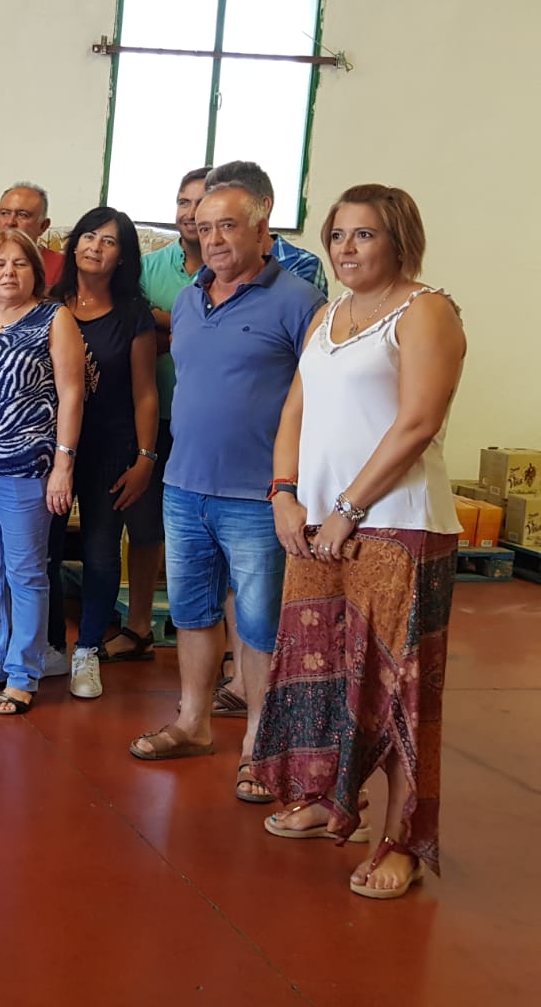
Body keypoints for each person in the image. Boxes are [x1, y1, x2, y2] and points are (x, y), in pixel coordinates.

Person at [253, 185, 463, 900]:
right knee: (319, 671)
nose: (346, 247)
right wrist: (285, 492)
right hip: (316, 522)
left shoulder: (426, 310)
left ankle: (401, 842)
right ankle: (327, 799)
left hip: (398, 523)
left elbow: (418, 422)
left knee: (398, 688)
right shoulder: (328, 315)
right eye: (338, 234)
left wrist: (349, 507)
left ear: (399, 239)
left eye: (364, 234)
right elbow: (296, 409)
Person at [128, 170, 325, 804]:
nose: (213, 238)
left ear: (262, 228)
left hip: (258, 495)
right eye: (205, 227)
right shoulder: (190, 300)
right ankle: (192, 723)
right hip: (185, 485)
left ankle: (259, 748)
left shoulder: (300, 302)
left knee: (260, 625)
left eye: (228, 226)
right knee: (191, 612)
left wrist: (291, 485)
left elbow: (318, 401)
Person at [0, 229, 84, 716]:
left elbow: (72, 393)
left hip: (25, 467)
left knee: (25, 571)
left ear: (37, 272)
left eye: (20, 263)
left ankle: (23, 672)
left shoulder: (54, 318)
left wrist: (63, 464)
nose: (8, 272)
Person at [43, 207, 159, 701]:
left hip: (111, 450)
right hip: (48, 452)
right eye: (89, 236)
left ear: (122, 257)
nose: (95, 247)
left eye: (109, 241)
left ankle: (88, 649)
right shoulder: (48, 305)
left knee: (100, 552)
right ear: (74, 245)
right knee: (43, 552)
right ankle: (50, 645)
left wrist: (145, 458)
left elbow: (145, 393)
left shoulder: (133, 315)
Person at [112, 167, 209, 663]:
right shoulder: (149, 268)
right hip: (153, 416)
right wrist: (194, 329)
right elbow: (135, 330)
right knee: (144, 524)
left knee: (208, 529)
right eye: (183, 201)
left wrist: (168, 326)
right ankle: (138, 627)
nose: (190, 213)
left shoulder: (236, 270)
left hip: (211, 425)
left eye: (201, 202)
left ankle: (215, 638)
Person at [203, 160, 328, 295]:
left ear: (263, 206)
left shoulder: (301, 264)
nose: (214, 239)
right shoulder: (210, 267)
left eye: (227, 225)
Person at [0, 183, 66, 291]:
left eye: (22, 215)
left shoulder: (63, 267)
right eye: (5, 213)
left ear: (43, 226)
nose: (10, 222)